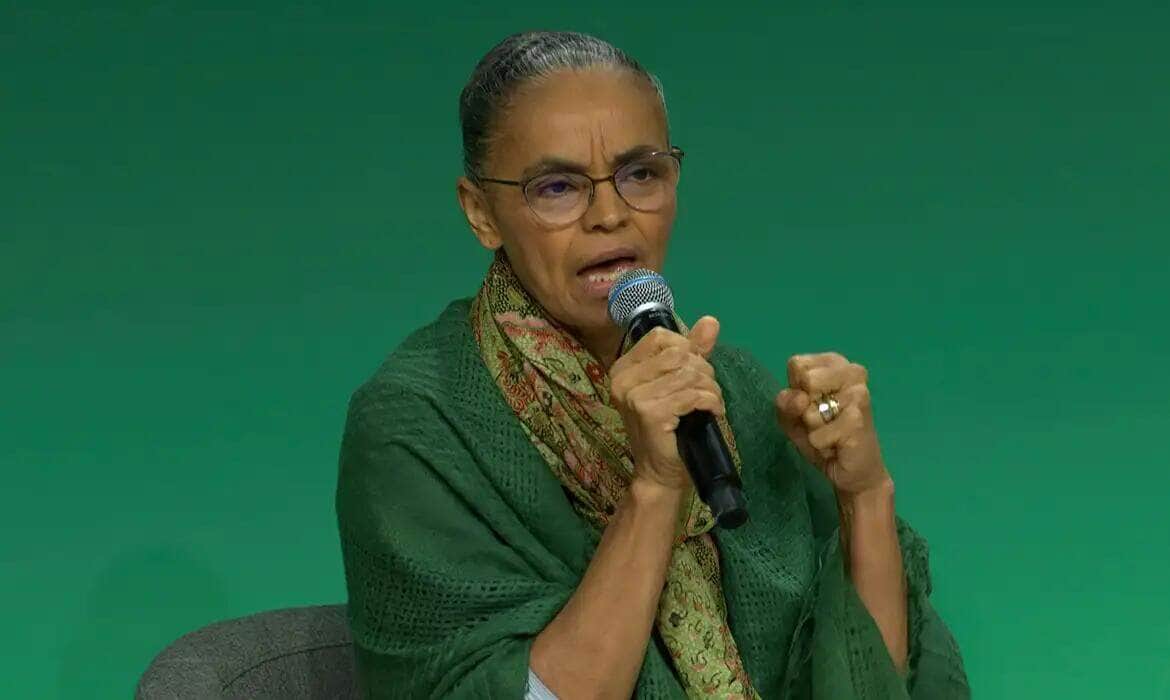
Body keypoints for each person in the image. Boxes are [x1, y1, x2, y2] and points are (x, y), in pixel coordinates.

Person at [335, 30, 969, 699]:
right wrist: (656, 488)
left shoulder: (734, 390)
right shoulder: (414, 423)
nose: (610, 215)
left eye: (641, 174)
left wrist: (864, 495)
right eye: (557, 187)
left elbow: (869, 680)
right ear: (481, 213)